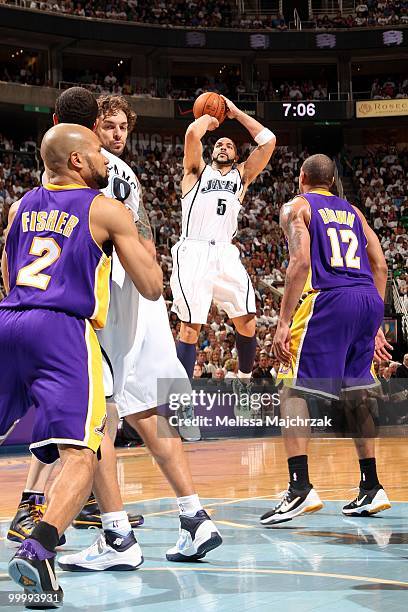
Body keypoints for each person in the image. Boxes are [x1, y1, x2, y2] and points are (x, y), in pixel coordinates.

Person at [57, 93, 222, 570]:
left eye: (121, 127)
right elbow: (145, 239)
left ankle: (116, 537)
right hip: (146, 295)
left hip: (112, 296)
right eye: (108, 125)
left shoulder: (82, 165)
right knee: (149, 409)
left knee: (98, 416)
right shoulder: (128, 174)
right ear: (96, 124)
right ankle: (194, 516)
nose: (115, 134)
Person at [1, 124, 162, 602]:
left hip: (10, 320)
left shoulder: (19, 206)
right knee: (83, 453)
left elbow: (8, 269)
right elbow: (152, 286)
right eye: (97, 152)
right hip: (64, 331)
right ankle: (39, 548)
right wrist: (138, 238)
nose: (106, 160)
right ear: (76, 162)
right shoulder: (105, 208)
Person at [260, 153, 393, 526]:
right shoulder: (353, 211)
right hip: (367, 299)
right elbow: (380, 264)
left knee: (292, 389)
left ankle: (299, 487)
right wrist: (377, 320)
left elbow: (300, 262)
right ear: (333, 180)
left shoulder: (296, 206)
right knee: (356, 393)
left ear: (301, 176)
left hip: (329, 299)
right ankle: (371, 485)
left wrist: (284, 321)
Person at [170, 95, 276, 416]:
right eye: (220, 144)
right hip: (194, 250)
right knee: (190, 328)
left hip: (226, 253)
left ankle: (242, 381)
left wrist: (236, 113)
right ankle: (183, 402)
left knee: (248, 321)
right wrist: (210, 119)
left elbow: (268, 141)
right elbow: (192, 136)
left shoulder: (241, 177)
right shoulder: (195, 171)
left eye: (230, 145)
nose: (224, 146)